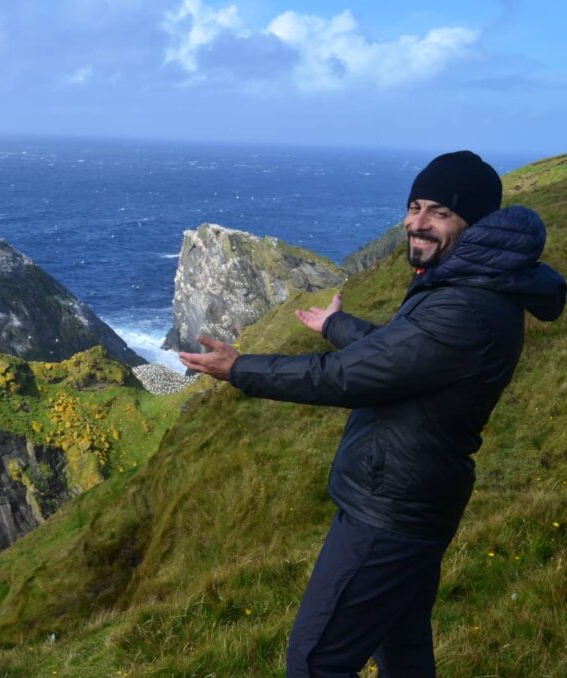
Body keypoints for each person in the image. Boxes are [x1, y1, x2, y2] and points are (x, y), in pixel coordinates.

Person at [179, 150, 567, 677]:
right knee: (402, 648)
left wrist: (239, 367)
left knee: (316, 660)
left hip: (390, 511)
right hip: (415, 498)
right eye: (414, 207)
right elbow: (402, 353)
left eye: (439, 212)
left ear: (473, 224)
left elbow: (344, 378)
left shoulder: (465, 306)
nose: (416, 223)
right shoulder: (473, 286)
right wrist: (336, 327)